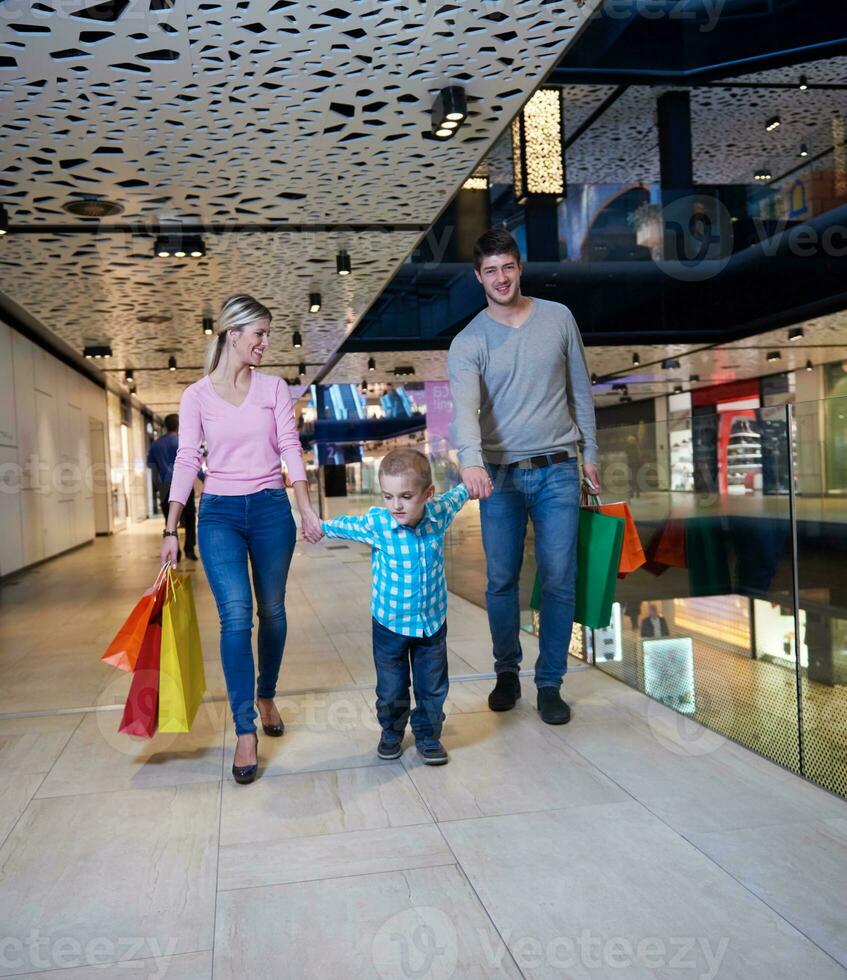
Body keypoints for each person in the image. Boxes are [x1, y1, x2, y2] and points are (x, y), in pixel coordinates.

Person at [161, 294, 323, 785]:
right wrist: (171, 528)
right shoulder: (196, 397)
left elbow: (290, 447)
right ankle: (245, 729)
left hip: (272, 510)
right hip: (219, 516)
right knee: (235, 614)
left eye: (267, 334)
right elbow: (188, 459)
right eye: (259, 334)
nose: (265, 343)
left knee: (270, 610)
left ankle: (266, 691)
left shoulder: (274, 388)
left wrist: (304, 506)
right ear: (233, 334)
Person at [448, 228, 600, 726]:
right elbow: (465, 409)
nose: (500, 277)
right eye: (490, 270)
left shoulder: (559, 319)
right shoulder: (468, 340)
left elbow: (580, 389)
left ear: (520, 267)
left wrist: (591, 454)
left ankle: (551, 682)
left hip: (558, 468)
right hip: (499, 476)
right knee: (500, 580)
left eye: (507, 267)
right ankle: (507, 671)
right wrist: (470, 459)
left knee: (559, 579)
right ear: (479, 277)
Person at [320, 448, 468, 765]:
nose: (396, 506)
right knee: (391, 688)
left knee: (432, 687)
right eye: (388, 496)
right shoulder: (379, 524)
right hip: (389, 626)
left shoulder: (439, 512)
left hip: (431, 625)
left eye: (405, 496)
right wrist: (318, 526)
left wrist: (477, 476)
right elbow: (346, 525)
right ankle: (391, 731)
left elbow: (461, 492)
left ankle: (428, 735)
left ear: (428, 493)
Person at [147, 413, 197, 561]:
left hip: (165, 487)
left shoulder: (156, 445)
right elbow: (192, 463)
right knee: (189, 519)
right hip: (184, 486)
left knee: (170, 520)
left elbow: (152, 466)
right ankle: (189, 549)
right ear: (178, 425)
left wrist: (157, 487)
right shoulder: (182, 441)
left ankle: (176, 551)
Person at [625, 434, 643, 499]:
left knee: (635, 479)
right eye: (629, 440)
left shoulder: (636, 447)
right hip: (630, 465)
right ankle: (632, 493)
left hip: (635, 465)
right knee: (631, 479)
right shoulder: (628, 447)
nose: (630, 441)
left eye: (631, 440)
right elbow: (627, 455)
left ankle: (636, 493)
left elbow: (639, 456)